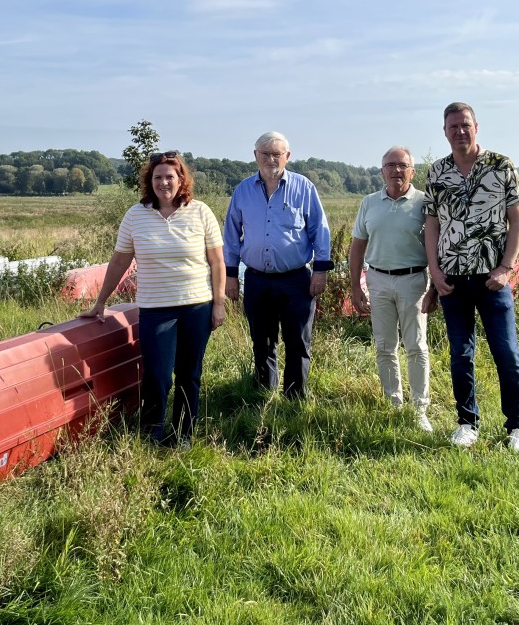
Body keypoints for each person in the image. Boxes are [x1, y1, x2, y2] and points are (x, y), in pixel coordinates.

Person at [81, 151, 225, 447]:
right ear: (150, 181)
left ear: (181, 179)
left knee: (189, 374)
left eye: (170, 177)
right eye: (157, 177)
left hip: (196, 306)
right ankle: (152, 432)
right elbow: (120, 261)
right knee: (158, 375)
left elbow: (217, 263)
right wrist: (101, 302)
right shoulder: (136, 216)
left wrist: (219, 303)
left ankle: (182, 435)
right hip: (156, 309)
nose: (164, 183)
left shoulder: (200, 212)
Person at [421, 102, 519, 454]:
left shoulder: (501, 166)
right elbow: (432, 226)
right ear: (445, 131)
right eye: (453, 127)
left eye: (465, 125)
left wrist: (506, 268)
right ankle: (467, 423)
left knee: (507, 353)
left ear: (476, 127)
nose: (460, 132)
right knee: (460, 354)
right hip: (452, 280)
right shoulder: (437, 172)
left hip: (491, 279)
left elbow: (518, 219)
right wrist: (435, 274)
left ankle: (518, 428)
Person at [223, 132, 332, 400]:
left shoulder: (304, 187)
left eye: (277, 154)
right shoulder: (243, 191)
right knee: (262, 341)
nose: (271, 159)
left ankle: (295, 397)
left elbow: (320, 229)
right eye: (265, 154)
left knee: (298, 341)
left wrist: (320, 271)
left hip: (296, 280)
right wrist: (230, 275)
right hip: (257, 280)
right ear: (255, 156)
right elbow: (231, 234)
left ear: (287, 156)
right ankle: (264, 393)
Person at [349, 146, 434, 432]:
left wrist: (436, 284)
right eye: (390, 165)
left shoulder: (424, 202)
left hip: (414, 280)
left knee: (417, 346)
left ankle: (419, 409)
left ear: (412, 170)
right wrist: (355, 286)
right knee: (385, 347)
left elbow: (436, 247)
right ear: (381, 170)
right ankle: (393, 404)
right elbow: (357, 245)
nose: (396, 170)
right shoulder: (369, 203)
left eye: (402, 165)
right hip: (378, 280)